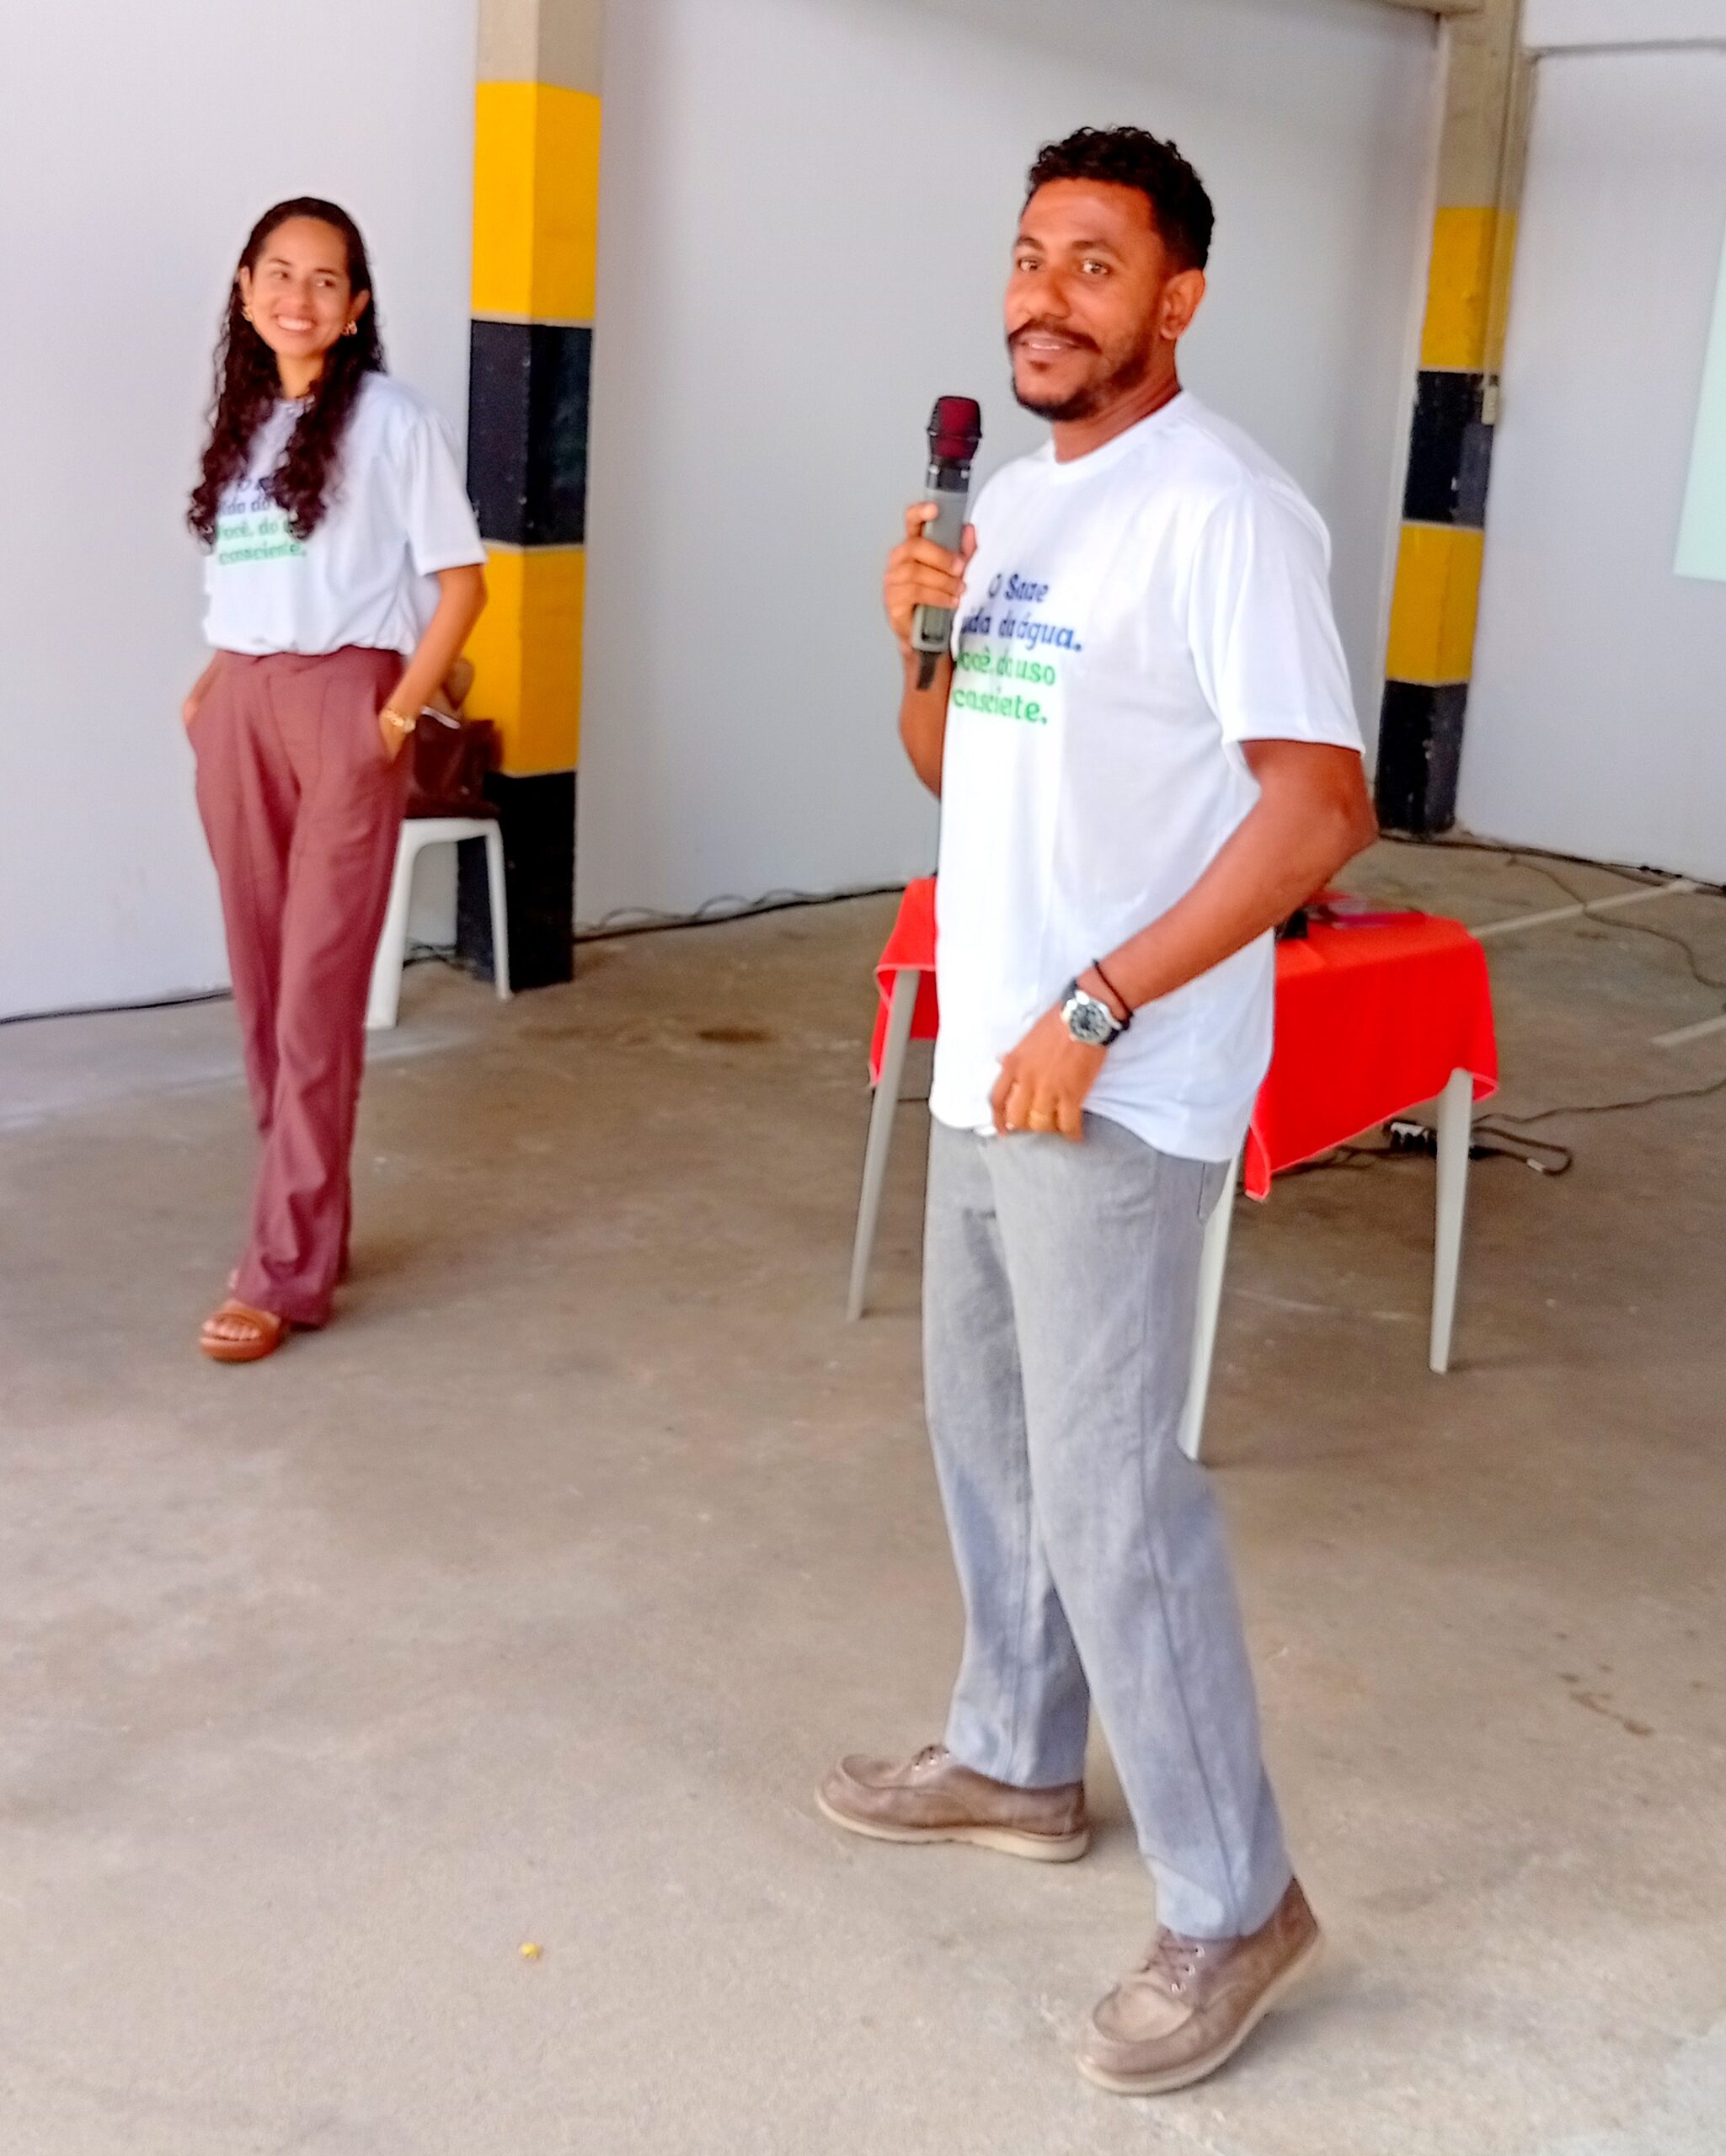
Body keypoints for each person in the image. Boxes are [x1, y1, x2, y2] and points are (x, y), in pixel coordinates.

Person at [817, 127, 1377, 2094]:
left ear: (1175, 297)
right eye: (1027, 255)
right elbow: (951, 765)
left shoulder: (1222, 510)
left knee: (1110, 1489)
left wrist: (1099, 998)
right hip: (993, 1054)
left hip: (1110, 1078)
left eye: (1092, 262)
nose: (1043, 296)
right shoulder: (1018, 504)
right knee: (984, 1430)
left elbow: (1319, 807)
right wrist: (920, 635)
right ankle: (1014, 1753)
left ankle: (1235, 1895)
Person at [183, 199, 487, 1363]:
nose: (297, 297)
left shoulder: (392, 419)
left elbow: (462, 586)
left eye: (324, 280)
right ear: (246, 288)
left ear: (355, 306)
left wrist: (397, 714)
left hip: (347, 706)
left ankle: (282, 1269)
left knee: (315, 993)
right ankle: (302, 1224)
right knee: (263, 986)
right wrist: (211, 687)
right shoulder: (247, 422)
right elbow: (254, 580)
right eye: (278, 273)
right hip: (242, 708)